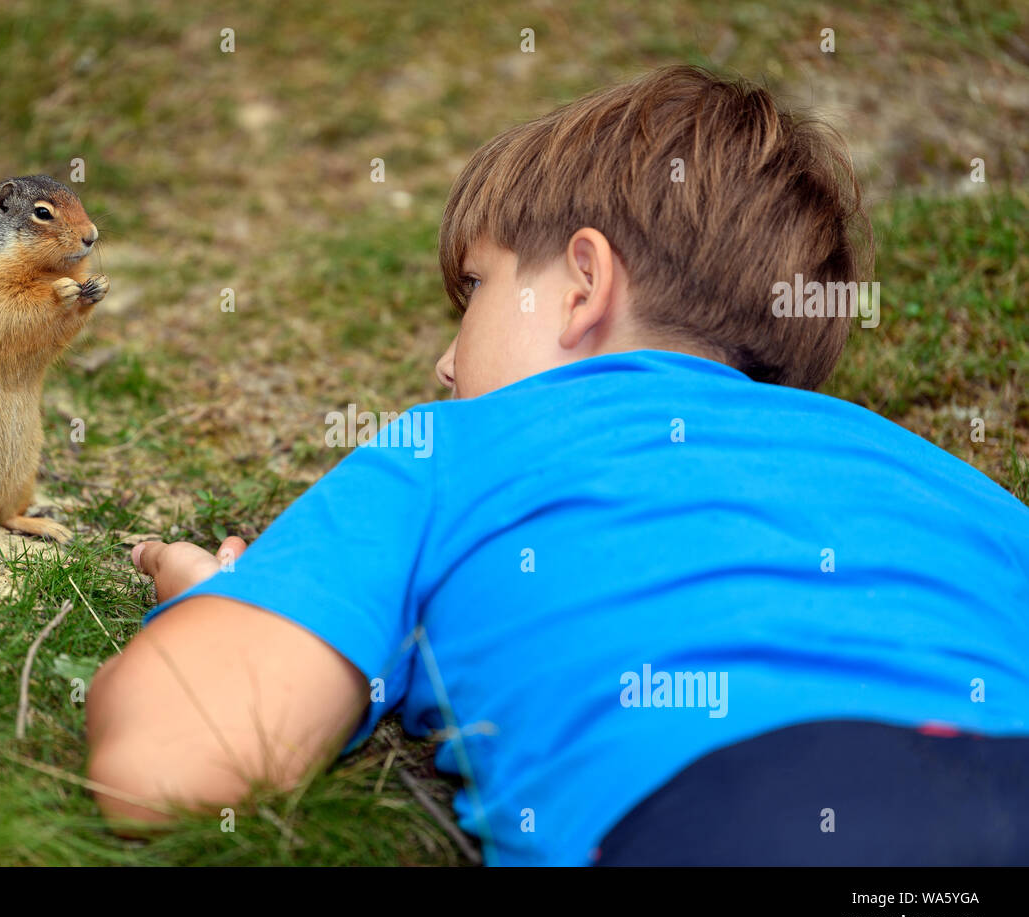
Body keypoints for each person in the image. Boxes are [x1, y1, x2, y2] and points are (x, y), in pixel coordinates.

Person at [85, 65, 1029, 865]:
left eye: (477, 290)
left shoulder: (452, 450)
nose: (445, 363)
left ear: (584, 285)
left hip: (750, 813)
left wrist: (222, 604)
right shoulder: (947, 482)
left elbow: (169, 767)